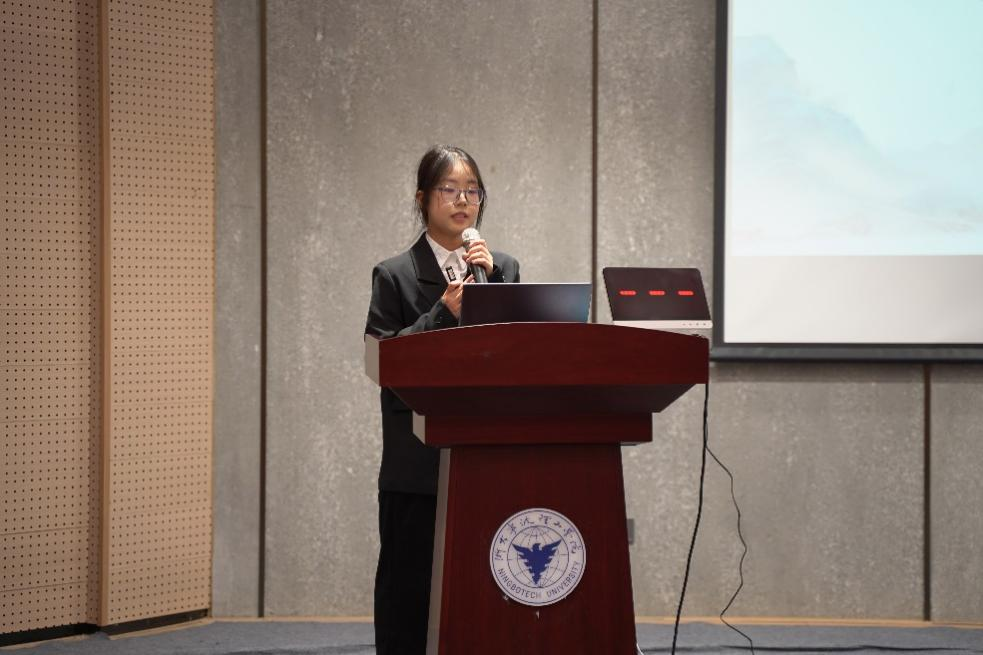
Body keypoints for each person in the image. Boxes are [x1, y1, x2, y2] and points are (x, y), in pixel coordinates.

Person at [364, 145, 520, 654]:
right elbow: (382, 361)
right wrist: (440, 313)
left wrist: (495, 286)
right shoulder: (395, 274)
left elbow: (520, 354)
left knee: (486, 594)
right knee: (409, 596)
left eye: (472, 190)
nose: (463, 200)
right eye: (449, 189)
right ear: (422, 199)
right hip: (418, 464)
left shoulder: (502, 268)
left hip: (486, 459)